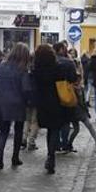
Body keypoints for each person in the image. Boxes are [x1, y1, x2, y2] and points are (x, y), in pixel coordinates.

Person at [32, 44, 75, 174]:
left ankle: (50, 155)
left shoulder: (36, 69)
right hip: (57, 102)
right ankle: (51, 156)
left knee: (49, 129)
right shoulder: (58, 68)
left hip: (42, 103)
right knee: (54, 129)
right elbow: (66, 81)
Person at [0, 43, 31, 168]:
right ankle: (15, 157)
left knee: (4, 130)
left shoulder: (2, 66)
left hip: (3, 102)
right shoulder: (22, 69)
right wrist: (28, 101)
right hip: (18, 102)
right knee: (18, 130)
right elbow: (26, 88)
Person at [68, 47, 96, 152]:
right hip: (75, 107)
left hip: (78, 107)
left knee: (82, 126)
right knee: (79, 127)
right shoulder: (73, 86)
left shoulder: (78, 87)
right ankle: (69, 143)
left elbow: (82, 99)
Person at [53, 41, 80, 153]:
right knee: (66, 121)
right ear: (60, 49)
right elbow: (73, 78)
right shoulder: (69, 62)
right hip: (66, 93)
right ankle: (64, 143)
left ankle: (55, 144)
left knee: (55, 122)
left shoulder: (50, 62)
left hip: (53, 94)